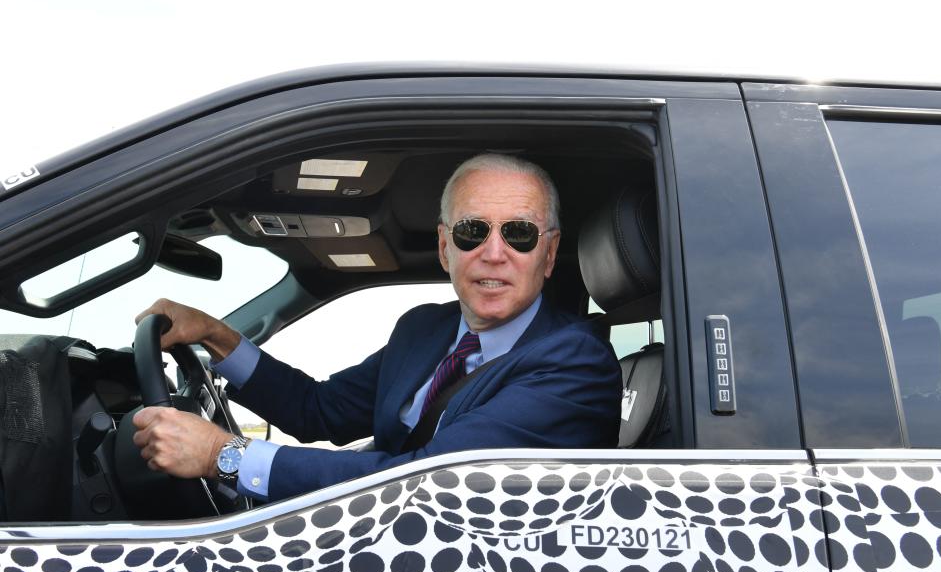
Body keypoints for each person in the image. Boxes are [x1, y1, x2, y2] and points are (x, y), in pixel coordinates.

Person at [132, 154, 622, 502]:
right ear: (445, 248)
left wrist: (224, 454)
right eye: (473, 231)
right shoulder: (424, 330)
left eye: (519, 233)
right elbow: (317, 411)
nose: (494, 253)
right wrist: (215, 334)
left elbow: (425, 485)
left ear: (550, 253)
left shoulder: (576, 364)